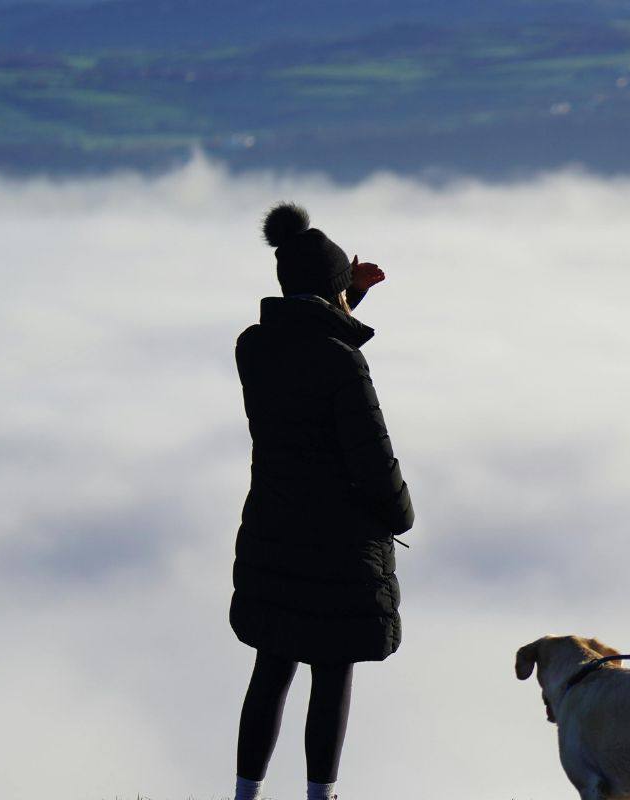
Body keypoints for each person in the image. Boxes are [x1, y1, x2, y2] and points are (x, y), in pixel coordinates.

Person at [230, 202, 414, 800]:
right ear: (331, 292)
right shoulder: (343, 363)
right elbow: (370, 455)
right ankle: (320, 795)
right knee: (331, 671)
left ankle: (245, 793)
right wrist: (401, 513)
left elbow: (301, 349)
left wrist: (344, 295)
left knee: (272, 667)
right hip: (337, 544)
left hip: (274, 535)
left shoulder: (255, 348)